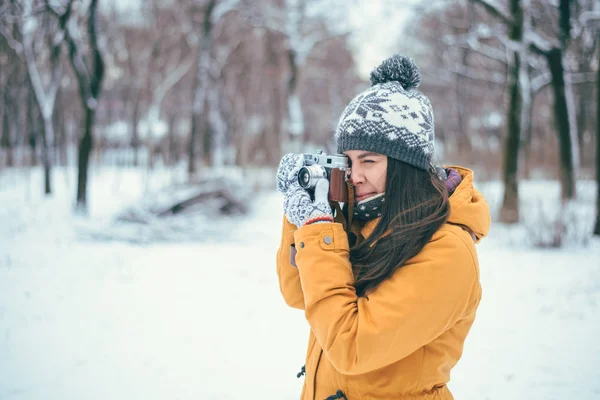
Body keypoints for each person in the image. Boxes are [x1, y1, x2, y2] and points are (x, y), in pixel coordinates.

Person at [275, 54, 491, 400]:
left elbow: (351, 346)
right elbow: (298, 293)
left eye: (369, 161)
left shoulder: (447, 250)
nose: (354, 175)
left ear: (407, 166)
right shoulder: (363, 220)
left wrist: (318, 229)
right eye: (347, 161)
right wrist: (301, 212)